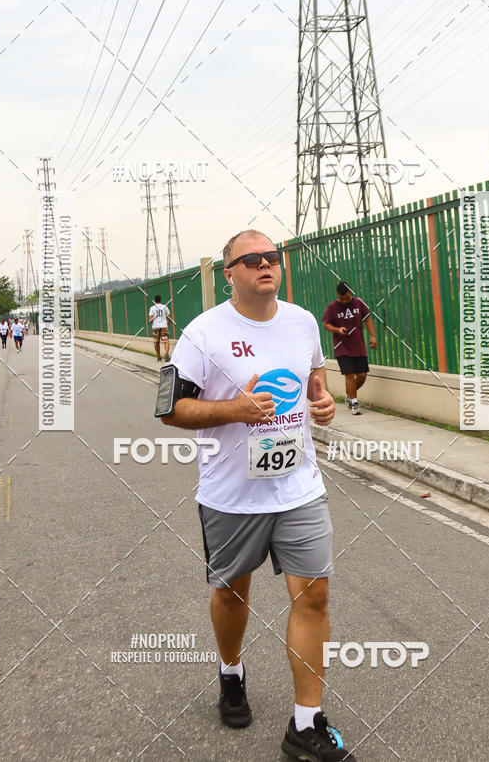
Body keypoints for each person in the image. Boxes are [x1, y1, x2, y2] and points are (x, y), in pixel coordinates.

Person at [162, 229, 356, 762]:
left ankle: (306, 724)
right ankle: (231, 672)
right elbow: (170, 409)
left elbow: (316, 378)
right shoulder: (203, 334)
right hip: (231, 496)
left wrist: (324, 403)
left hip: (299, 486)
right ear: (230, 273)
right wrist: (234, 410)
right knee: (232, 595)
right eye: (251, 260)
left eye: (272, 257)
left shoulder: (301, 321)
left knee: (314, 595)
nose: (265, 265)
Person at [322, 281, 377, 416]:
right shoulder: (332, 307)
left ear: (350, 293)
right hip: (342, 347)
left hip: (358, 345)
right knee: (349, 375)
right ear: (337, 295)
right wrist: (337, 329)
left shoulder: (359, 303)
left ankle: (349, 393)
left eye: (347, 298)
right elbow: (326, 324)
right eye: (342, 298)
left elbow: (368, 320)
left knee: (362, 375)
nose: (344, 301)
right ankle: (354, 402)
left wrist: (373, 336)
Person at [148, 294, 173, 362]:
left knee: (156, 342)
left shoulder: (152, 308)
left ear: (155, 301)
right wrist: (167, 323)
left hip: (155, 327)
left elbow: (150, 319)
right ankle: (166, 353)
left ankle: (159, 357)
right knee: (166, 340)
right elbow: (169, 317)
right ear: (160, 300)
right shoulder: (165, 307)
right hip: (164, 326)